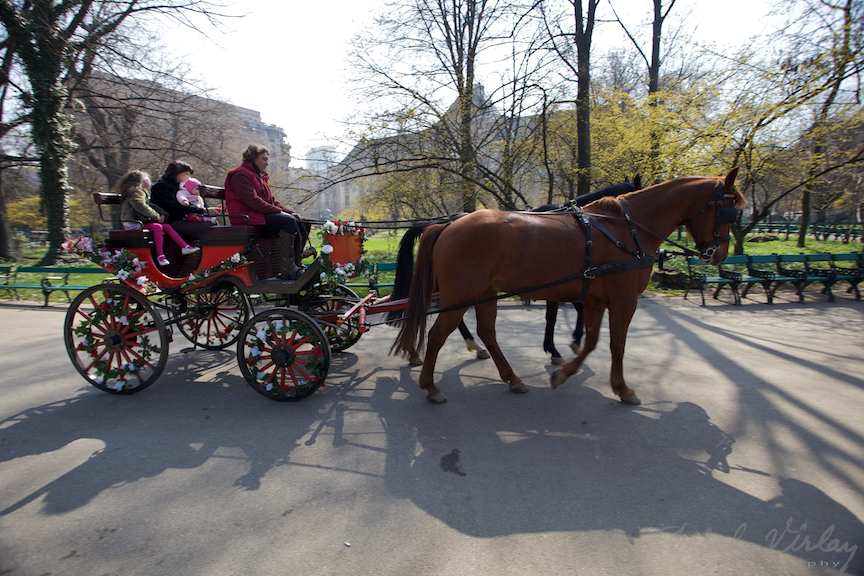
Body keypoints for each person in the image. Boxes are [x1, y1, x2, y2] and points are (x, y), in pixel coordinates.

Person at [224, 144, 311, 280]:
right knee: (288, 221)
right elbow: (253, 201)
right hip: (247, 217)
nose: (267, 163)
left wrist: (289, 211)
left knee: (301, 221)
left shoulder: (258, 177)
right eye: (264, 159)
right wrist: (280, 212)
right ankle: (288, 269)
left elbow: (271, 201)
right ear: (253, 158)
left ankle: (295, 264)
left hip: (259, 215)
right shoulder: (240, 175)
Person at [118, 170, 199, 266]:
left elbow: (150, 205)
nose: (149, 181)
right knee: (157, 227)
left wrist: (162, 213)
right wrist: (156, 216)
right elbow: (141, 206)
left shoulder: (141, 192)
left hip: (139, 222)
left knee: (166, 226)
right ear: (140, 181)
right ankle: (160, 256)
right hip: (133, 223)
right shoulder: (136, 192)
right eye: (146, 179)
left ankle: (184, 247)